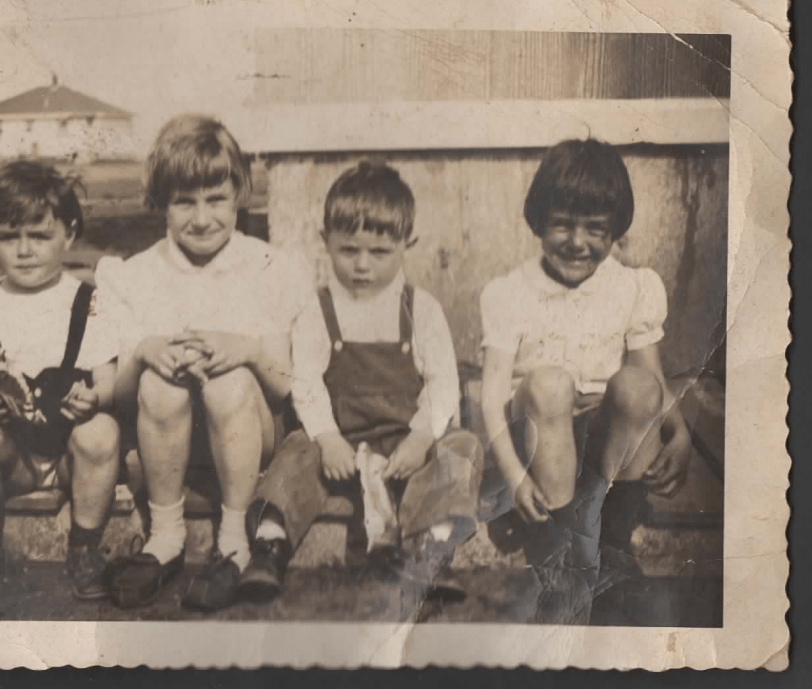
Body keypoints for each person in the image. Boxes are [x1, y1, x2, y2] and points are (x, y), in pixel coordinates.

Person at [239, 162, 484, 606]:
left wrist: (422, 437)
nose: (363, 265)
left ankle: (431, 548)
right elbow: (306, 381)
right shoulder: (318, 311)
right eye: (349, 250)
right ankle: (270, 545)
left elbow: (442, 383)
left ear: (406, 244)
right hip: (341, 444)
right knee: (296, 449)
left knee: (460, 447)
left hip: (405, 442)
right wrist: (327, 437)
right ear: (326, 241)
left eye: (379, 252)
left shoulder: (421, 309)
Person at [96, 115, 314, 611]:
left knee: (225, 381)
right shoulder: (136, 276)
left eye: (216, 199)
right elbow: (123, 397)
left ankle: (234, 540)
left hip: (250, 434)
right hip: (167, 445)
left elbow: (283, 387)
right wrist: (144, 352)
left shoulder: (268, 267)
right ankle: (166, 537)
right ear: (161, 203)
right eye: (184, 202)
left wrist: (247, 349)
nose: (201, 218)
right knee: (159, 383)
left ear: (239, 194)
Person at [478, 138, 692, 624]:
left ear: (615, 229)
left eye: (595, 229)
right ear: (538, 221)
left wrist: (678, 434)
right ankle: (557, 558)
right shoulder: (510, 293)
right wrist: (514, 479)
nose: (578, 242)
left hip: (601, 446)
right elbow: (491, 399)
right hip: (539, 441)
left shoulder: (632, 286)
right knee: (550, 384)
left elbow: (653, 377)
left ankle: (612, 544)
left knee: (638, 386)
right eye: (562, 224)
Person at [0, 161, 121, 601]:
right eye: (8, 237)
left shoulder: (89, 303)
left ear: (68, 235)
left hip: (74, 457)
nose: (24, 250)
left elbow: (108, 381)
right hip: (12, 457)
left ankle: (84, 549)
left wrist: (94, 398)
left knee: (103, 430)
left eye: (39, 236)